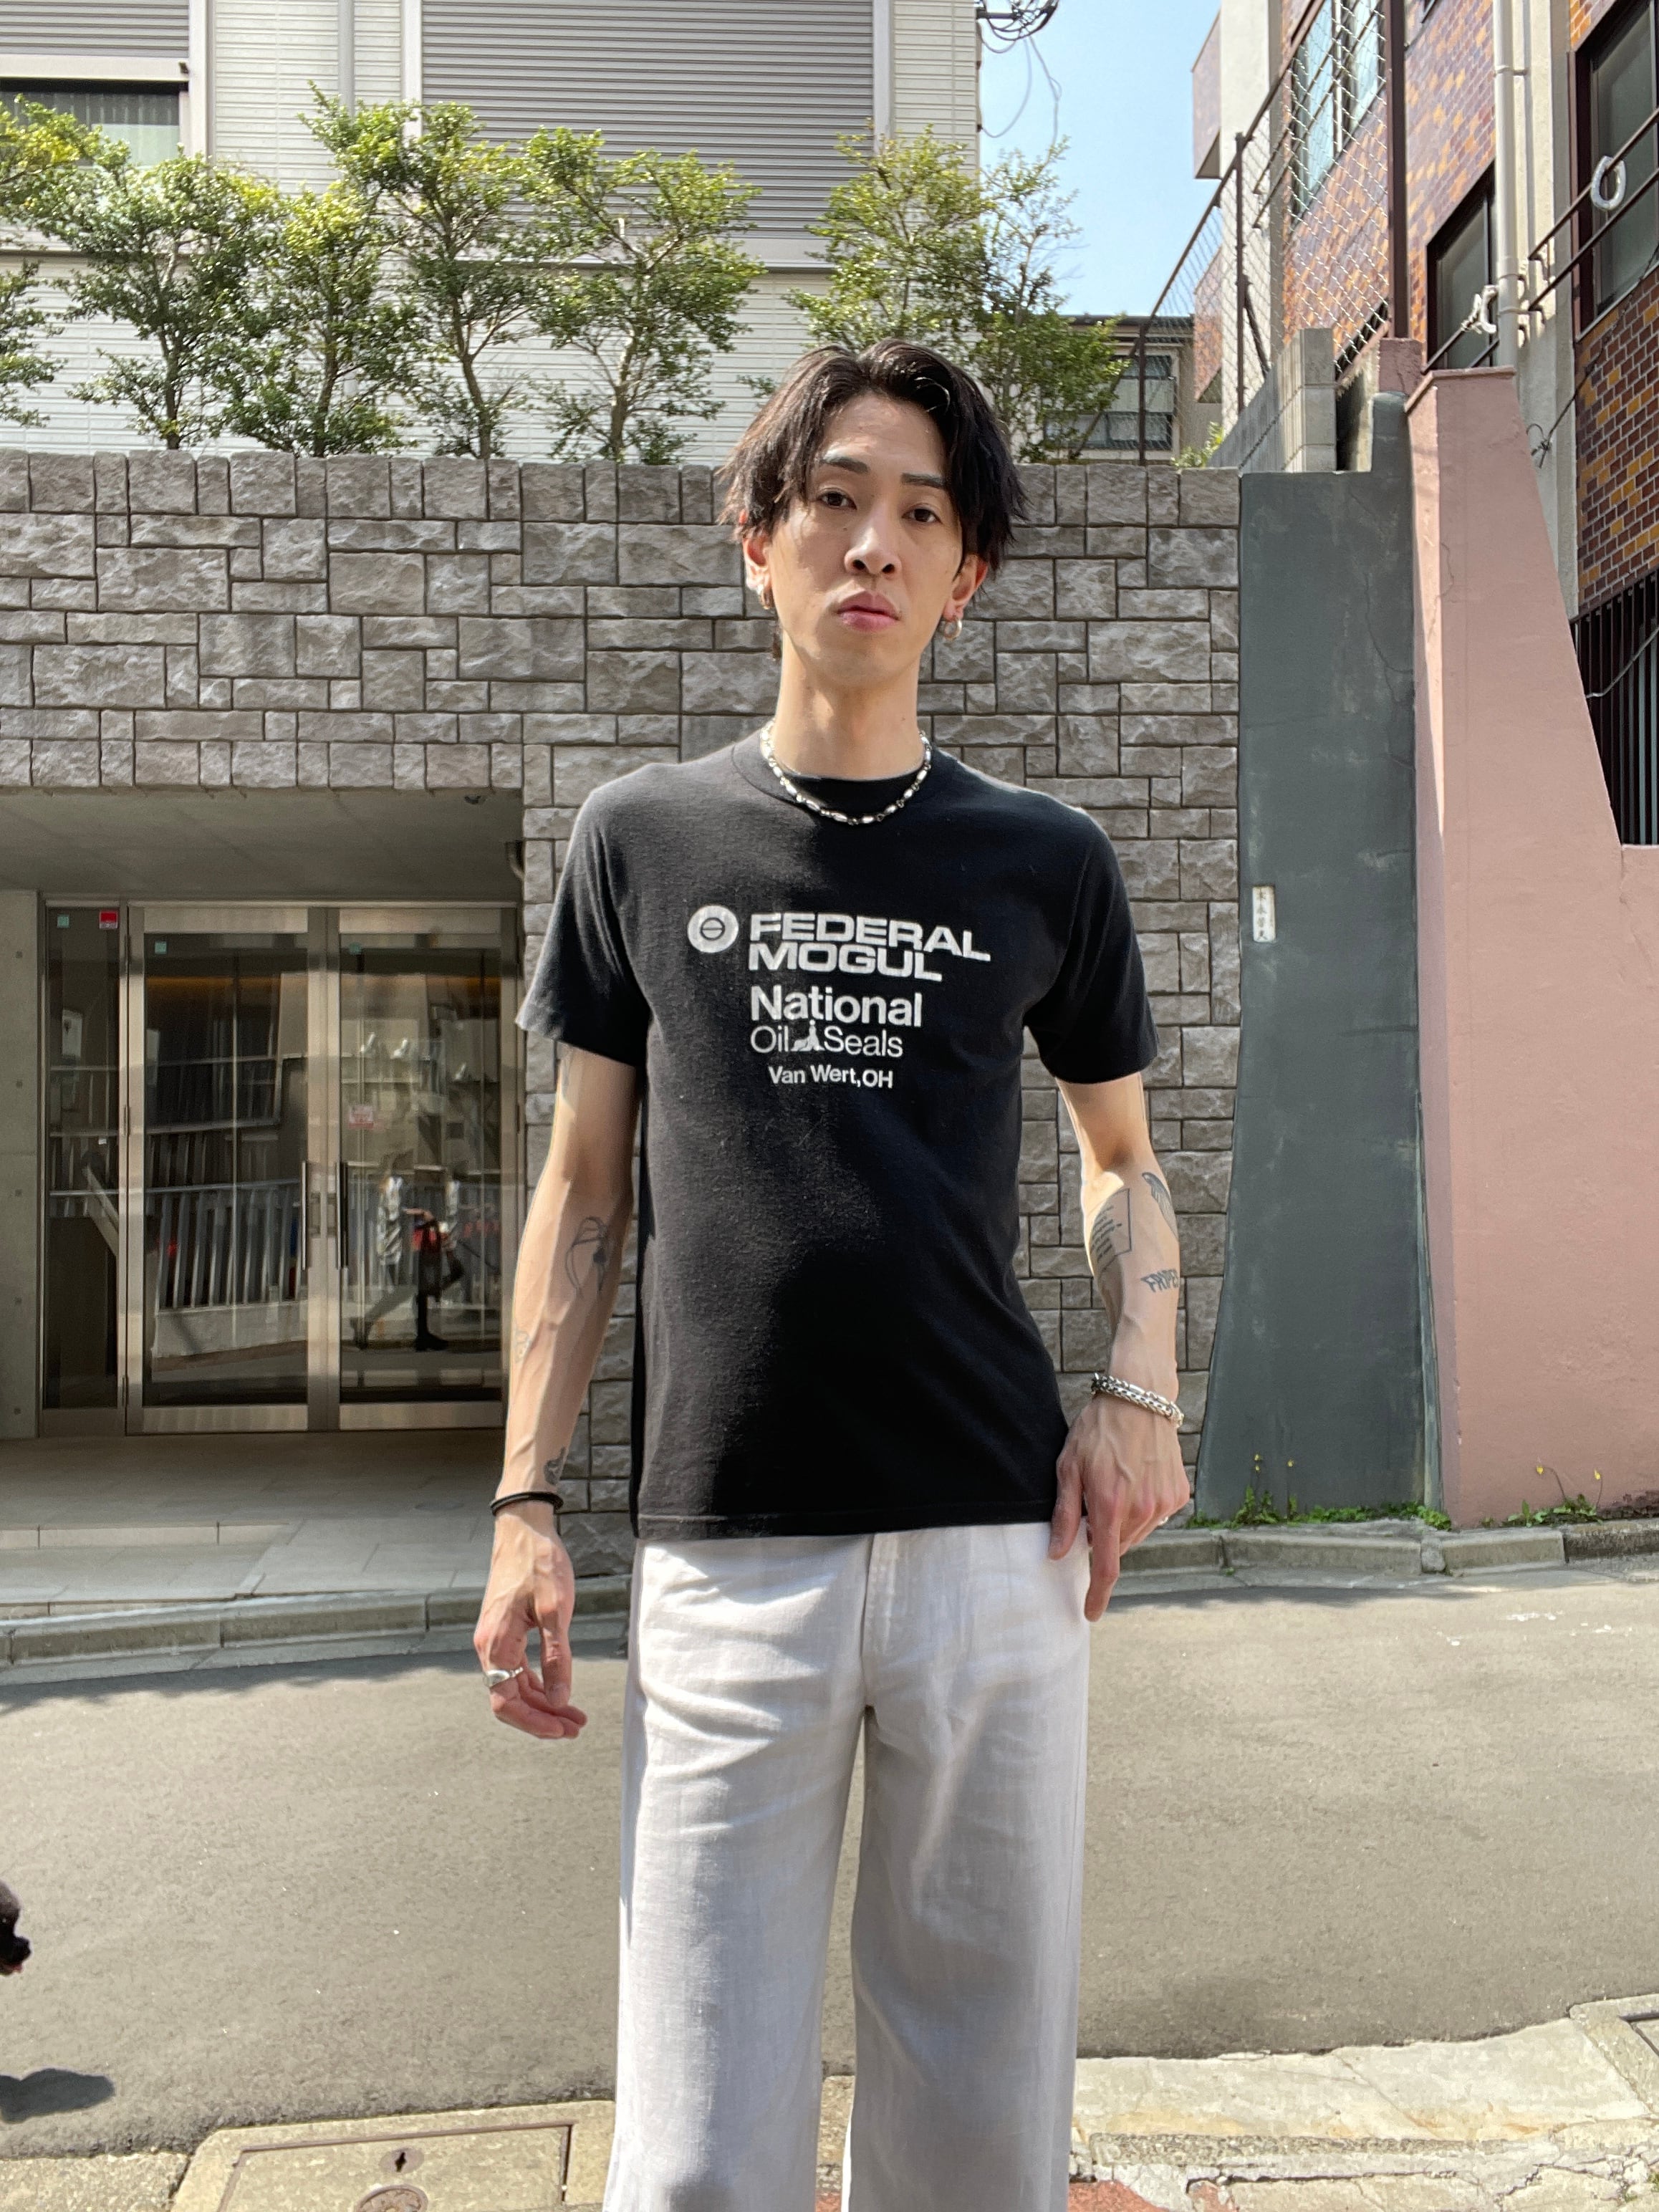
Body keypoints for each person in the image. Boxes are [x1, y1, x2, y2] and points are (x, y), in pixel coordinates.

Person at [473, 340, 1190, 2212]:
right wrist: (526, 1501)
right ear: (759, 543)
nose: (872, 542)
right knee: (698, 2139)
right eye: (833, 499)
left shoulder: (1044, 860)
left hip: (993, 1541)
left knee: (979, 2128)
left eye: (921, 514)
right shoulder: (641, 838)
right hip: (729, 1547)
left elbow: (1121, 1159)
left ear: (967, 577)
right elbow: (580, 1192)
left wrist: (1142, 1388)